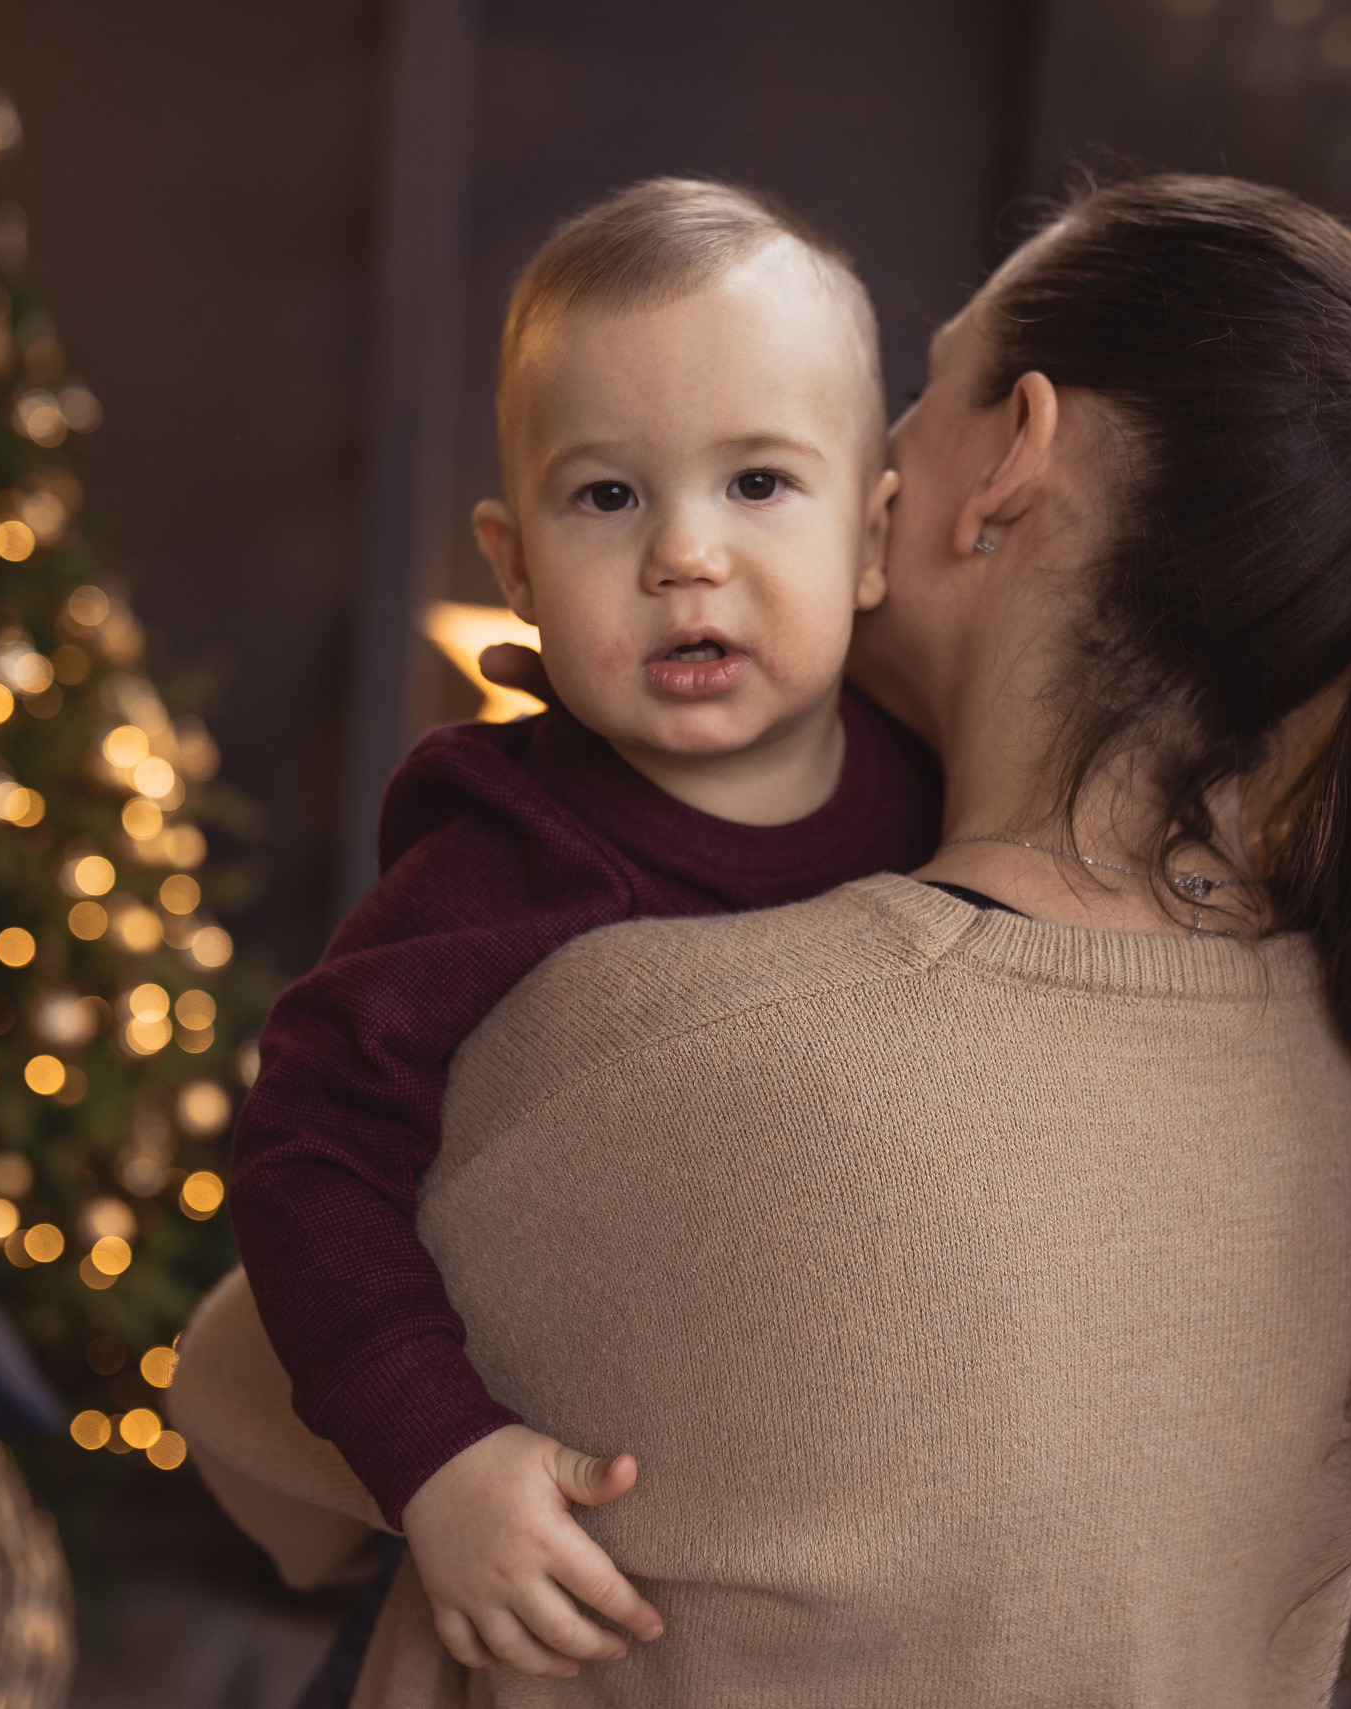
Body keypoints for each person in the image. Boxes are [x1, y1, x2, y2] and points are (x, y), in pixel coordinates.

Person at [182, 172, 1351, 1706]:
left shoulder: (669, 1039)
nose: (694, 550)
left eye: (919, 393)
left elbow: (244, 1404)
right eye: (612, 496)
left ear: (1009, 461)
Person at [226, 178, 944, 1678]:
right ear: (515, 568)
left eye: (758, 483)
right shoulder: (502, 851)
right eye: (608, 496)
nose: (684, 553)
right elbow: (309, 1150)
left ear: (875, 535)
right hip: (528, 1523)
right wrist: (436, 1457)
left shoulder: (949, 794)